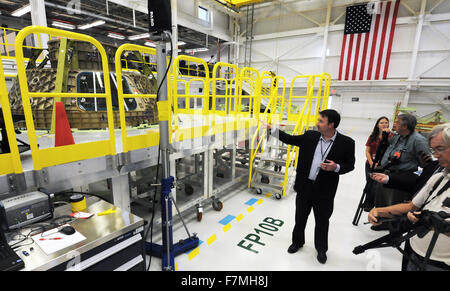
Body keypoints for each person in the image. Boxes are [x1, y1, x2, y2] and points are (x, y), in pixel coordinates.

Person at [263, 109, 355, 264]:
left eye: (321, 121)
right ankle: (297, 242)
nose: (317, 123)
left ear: (331, 125)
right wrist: (272, 129)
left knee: (322, 221)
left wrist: (336, 167)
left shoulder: (346, 143)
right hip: (305, 186)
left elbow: (350, 165)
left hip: (325, 191)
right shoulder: (310, 136)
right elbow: (289, 139)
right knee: (300, 218)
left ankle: (321, 249)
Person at [368, 123, 450, 271]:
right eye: (433, 150)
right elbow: (412, 206)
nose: (435, 155)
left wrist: (432, 221)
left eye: (440, 149)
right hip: (415, 255)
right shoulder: (439, 176)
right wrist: (378, 211)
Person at [369, 114, 430, 225]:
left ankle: (392, 228)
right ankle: (381, 222)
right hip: (387, 174)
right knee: (381, 200)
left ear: (405, 126)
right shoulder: (397, 136)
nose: (394, 124)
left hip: (400, 178)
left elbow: (427, 163)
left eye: (397, 122)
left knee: (393, 203)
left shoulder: (418, 140)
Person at [363, 116, 393, 211]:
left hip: (382, 165)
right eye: (381, 122)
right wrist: (371, 163)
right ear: (377, 125)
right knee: (369, 183)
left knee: (376, 185)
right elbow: (367, 151)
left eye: (386, 122)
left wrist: (379, 164)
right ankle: (367, 201)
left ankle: (372, 203)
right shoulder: (372, 137)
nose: (384, 124)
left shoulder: (391, 137)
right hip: (370, 164)